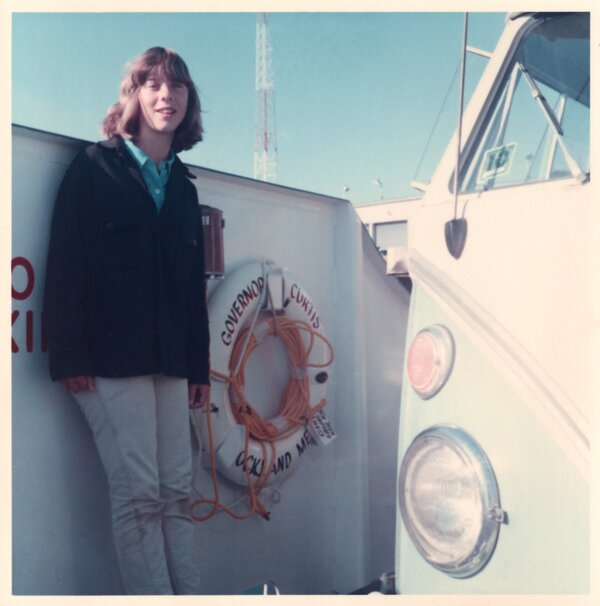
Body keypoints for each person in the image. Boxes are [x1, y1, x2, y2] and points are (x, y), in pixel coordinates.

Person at [43, 47, 210, 595]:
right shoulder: (94, 168)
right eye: (155, 85)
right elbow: (66, 263)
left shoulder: (184, 188)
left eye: (178, 87)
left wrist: (199, 371)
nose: (168, 96)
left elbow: (190, 290)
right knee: (140, 499)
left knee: (177, 495)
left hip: (169, 362)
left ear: (190, 101)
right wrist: (68, 354)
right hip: (111, 364)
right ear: (135, 97)